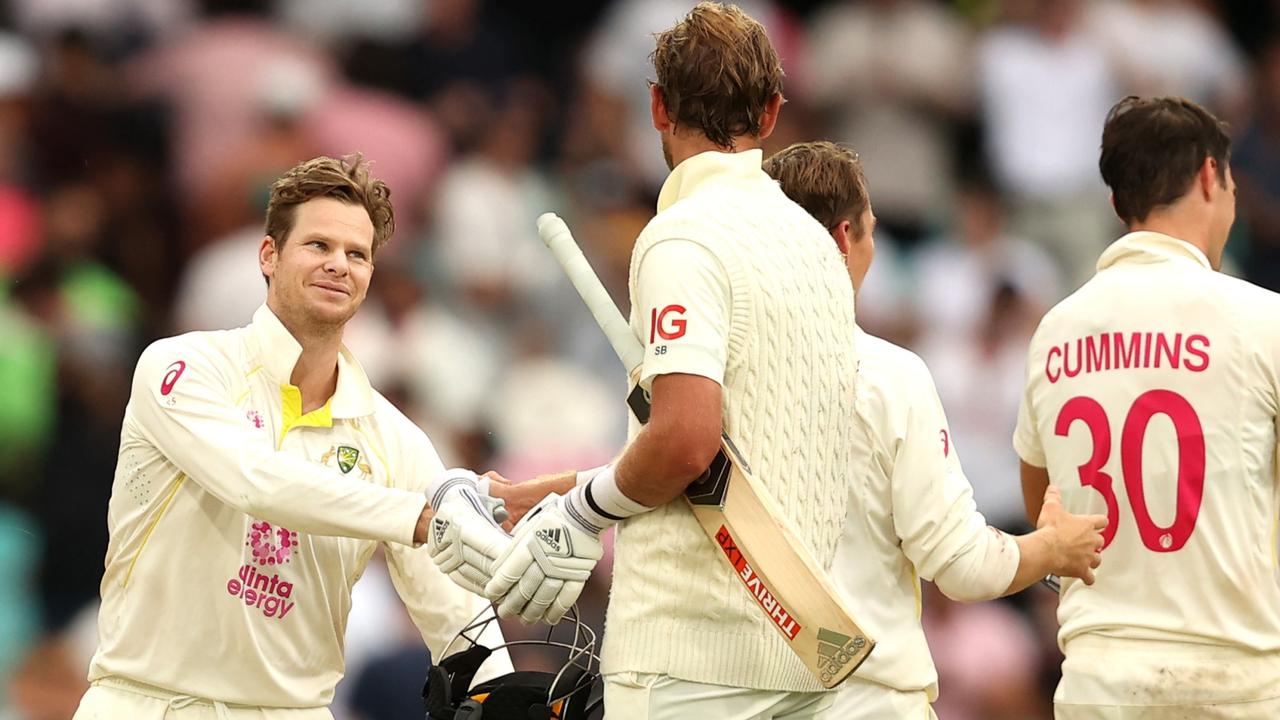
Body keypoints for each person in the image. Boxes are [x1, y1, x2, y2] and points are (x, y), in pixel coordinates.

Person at [432, 3, 863, 717]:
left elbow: (689, 441)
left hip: (691, 662)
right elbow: (723, 451)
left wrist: (581, 511)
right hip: (797, 656)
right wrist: (556, 491)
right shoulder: (817, 243)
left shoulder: (681, 238)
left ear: (658, 106)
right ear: (773, 112)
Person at [72, 154, 510, 719]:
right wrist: (420, 516)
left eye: (357, 254)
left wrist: (502, 699)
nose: (339, 265)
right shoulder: (181, 366)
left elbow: (457, 616)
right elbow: (254, 481)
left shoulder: (397, 440)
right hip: (146, 703)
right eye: (319, 246)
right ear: (268, 255)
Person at [759, 140, 1105, 718]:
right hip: (862, 700)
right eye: (870, 229)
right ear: (847, 239)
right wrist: (1052, 548)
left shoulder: (703, 376)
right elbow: (962, 566)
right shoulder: (892, 376)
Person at [1014, 96, 1280, 718]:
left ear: (1116, 204)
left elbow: (1041, 505)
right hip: (1236, 683)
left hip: (1098, 684)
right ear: (1211, 176)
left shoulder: (1055, 330)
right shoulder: (1262, 321)